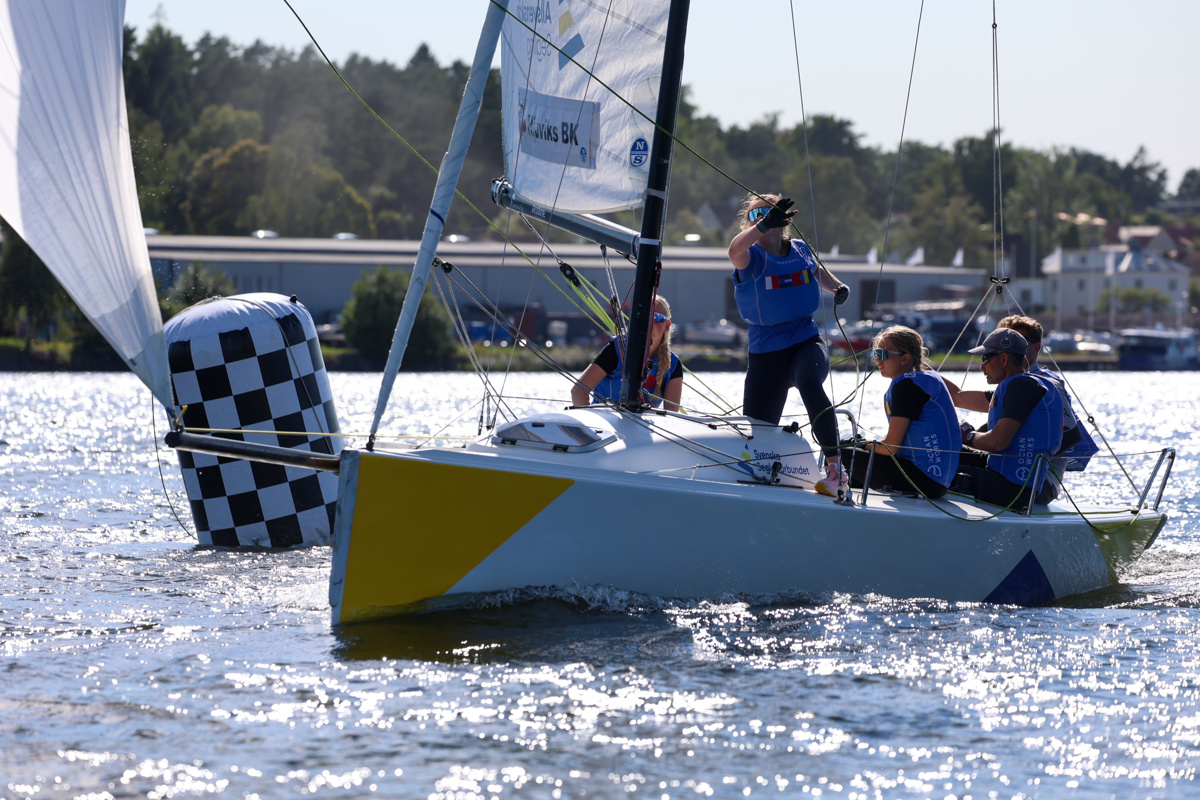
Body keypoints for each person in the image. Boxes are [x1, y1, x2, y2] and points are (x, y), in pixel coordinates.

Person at [728, 193, 851, 496]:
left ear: (782, 219)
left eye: (767, 214)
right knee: (758, 429)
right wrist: (762, 226)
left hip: (804, 340)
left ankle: (836, 470)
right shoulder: (750, 256)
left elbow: (816, 272)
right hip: (765, 354)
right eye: (755, 215)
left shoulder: (799, 249)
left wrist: (836, 286)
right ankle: (759, 476)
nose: (761, 219)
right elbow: (734, 249)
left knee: (809, 381)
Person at [947, 328, 1064, 512]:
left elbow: (998, 442)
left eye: (985, 359)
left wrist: (968, 435)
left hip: (1013, 490)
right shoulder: (1023, 386)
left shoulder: (1022, 387)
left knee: (931, 467)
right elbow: (957, 396)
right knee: (945, 450)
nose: (982, 367)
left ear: (1003, 359)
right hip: (1009, 479)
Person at [841, 326, 959, 499]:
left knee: (842, 450)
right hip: (935, 480)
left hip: (925, 481)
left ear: (905, 358)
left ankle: (844, 490)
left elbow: (891, 447)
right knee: (854, 449)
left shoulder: (907, 387)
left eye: (883, 354)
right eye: (876, 354)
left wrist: (859, 444)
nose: (878, 360)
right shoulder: (921, 380)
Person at [996, 315, 1097, 504]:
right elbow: (961, 396)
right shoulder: (1008, 385)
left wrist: (1029, 458)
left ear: (1037, 347)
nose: (1010, 348)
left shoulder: (1048, 384)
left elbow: (1072, 436)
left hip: (1042, 481)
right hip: (1012, 472)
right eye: (1005, 342)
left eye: (1020, 341)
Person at [571, 295, 683, 411]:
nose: (648, 323)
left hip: (642, 422)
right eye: (643, 316)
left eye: (656, 317)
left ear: (667, 326)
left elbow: (671, 414)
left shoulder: (673, 364)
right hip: (604, 420)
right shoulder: (616, 349)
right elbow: (578, 392)